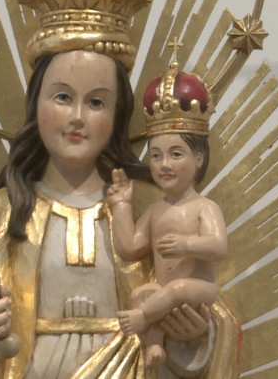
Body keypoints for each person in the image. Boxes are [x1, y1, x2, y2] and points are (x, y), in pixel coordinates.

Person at [0, 0, 240, 377]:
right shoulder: (9, 209)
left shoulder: (146, 208)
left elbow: (199, 299)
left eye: (95, 102)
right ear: (35, 105)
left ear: (117, 115)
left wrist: (196, 334)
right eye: (62, 97)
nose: (76, 118)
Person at [108, 51, 227, 368]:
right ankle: (154, 344)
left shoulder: (204, 207)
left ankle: (143, 319)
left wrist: (187, 244)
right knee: (141, 294)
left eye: (176, 154)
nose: (164, 165)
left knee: (175, 289)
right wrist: (122, 206)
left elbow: (218, 246)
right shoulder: (156, 211)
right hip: (166, 291)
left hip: (197, 289)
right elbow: (130, 247)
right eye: (156, 156)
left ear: (198, 159)